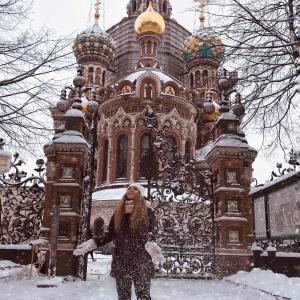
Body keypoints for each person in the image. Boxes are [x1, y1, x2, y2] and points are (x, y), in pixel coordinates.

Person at [74, 182, 163, 300]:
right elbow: (110, 234)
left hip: (140, 259)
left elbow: (149, 232)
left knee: (144, 296)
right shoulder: (119, 212)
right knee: (123, 296)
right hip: (122, 259)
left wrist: (150, 243)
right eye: (129, 189)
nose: (131, 190)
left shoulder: (147, 211)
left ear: (140, 194)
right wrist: (92, 243)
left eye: (135, 189)